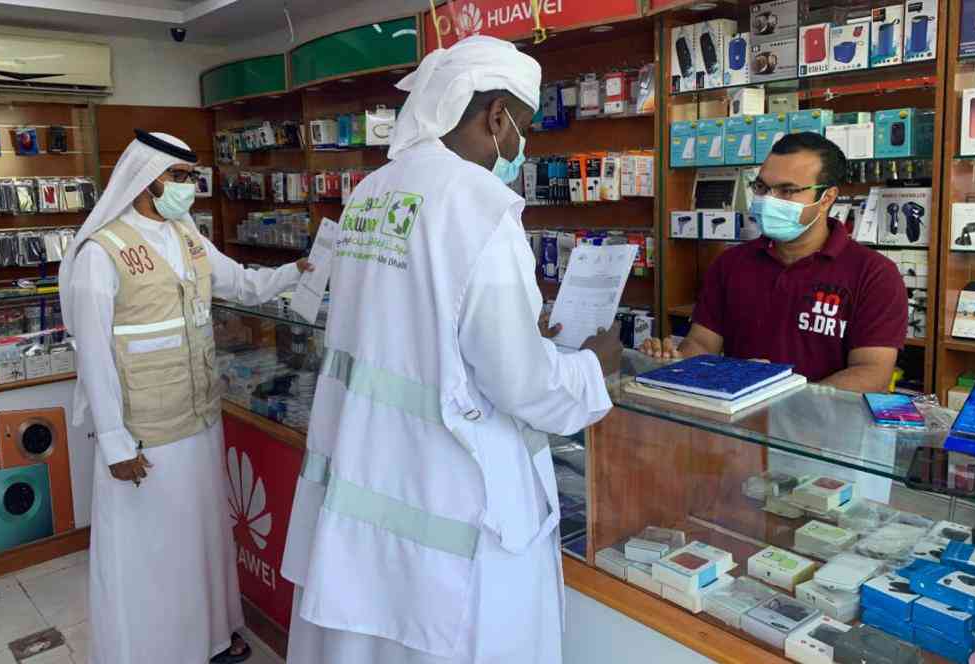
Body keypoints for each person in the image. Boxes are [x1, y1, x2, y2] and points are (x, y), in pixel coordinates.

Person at [280, 36, 621, 664]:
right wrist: (592, 367)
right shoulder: (479, 205)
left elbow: (410, 324)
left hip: (363, 483)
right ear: (497, 117)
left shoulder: (371, 191)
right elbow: (523, 385)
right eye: (524, 127)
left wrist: (511, 336)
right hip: (452, 508)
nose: (523, 146)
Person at [58, 130, 311, 664]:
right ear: (148, 179)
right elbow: (95, 356)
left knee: (199, 539)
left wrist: (297, 271)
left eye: (190, 177)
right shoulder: (101, 252)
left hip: (199, 418)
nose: (188, 187)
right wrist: (114, 443)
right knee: (152, 550)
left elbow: (241, 285)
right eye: (179, 177)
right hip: (144, 434)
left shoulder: (188, 236)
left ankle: (208, 639)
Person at [642, 132, 907, 393]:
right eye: (762, 187)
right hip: (738, 415)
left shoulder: (874, 274)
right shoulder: (731, 263)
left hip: (822, 420)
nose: (769, 200)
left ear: (826, 198)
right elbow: (702, 342)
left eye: (787, 190)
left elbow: (872, 373)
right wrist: (675, 361)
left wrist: (782, 397)